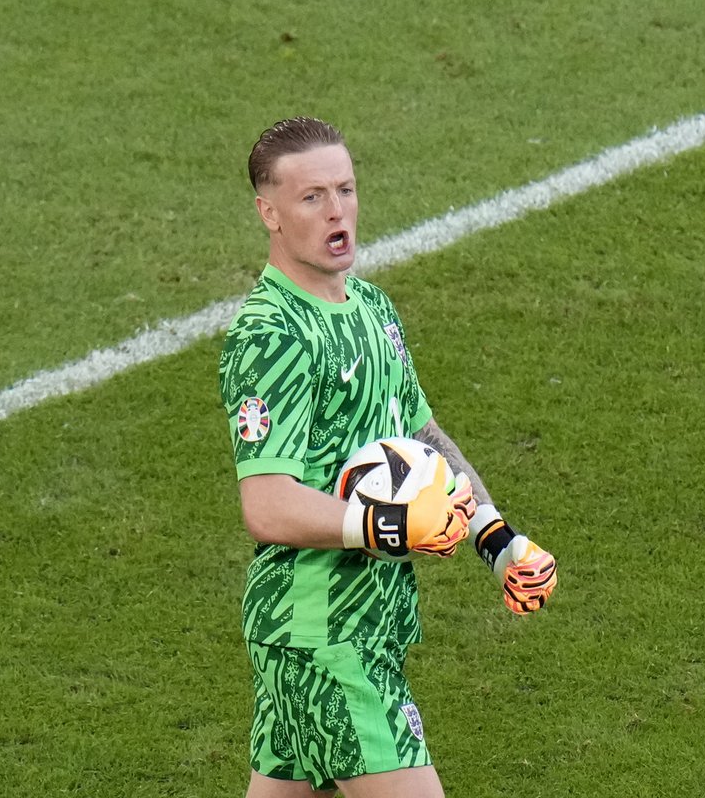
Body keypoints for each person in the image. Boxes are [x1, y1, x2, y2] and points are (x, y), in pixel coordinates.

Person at [218, 116, 558, 798]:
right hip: (324, 634)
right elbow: (268, 504)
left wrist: (494, 537)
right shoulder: (271, 335)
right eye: (312, 196)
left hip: (355, 622)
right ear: (269, 213)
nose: (337, 210)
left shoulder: (371, 306)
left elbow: (423, 435)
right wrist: (384, 525)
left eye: (345, 189)